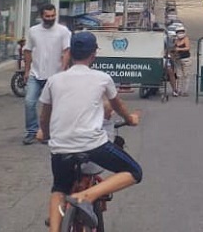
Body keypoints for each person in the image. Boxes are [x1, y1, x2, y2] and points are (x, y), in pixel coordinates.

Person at [38, 31, 142, 231]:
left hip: (60, 148)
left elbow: (44, 117)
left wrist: (45, 133)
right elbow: (118, 106)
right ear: (94, 54)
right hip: (93, 146)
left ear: (70, 53)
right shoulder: (102, 78)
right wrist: (131, 119)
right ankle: (87, 195)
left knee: (59, 188)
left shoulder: (54, 80)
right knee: (134, 171)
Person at [23, 3, 71, 145]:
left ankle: (48, 132)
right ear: (41, 16)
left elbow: (67, 51)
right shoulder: (33, 31)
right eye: (47, 16)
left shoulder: (63, 31)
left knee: (54, 106)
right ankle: (32, 131)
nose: (50, 18)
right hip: (35, 74)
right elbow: (27, 50)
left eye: (53, 16)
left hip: (54, 76)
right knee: (29, 102)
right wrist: (27, 70)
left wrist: (63, 70)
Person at [171, 28, 190, 97]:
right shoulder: (176, 40)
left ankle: (185, 91)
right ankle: (178, 90)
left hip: (185, 59)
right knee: (179, 76)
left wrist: (179, 49)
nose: (180, 34)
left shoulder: (186, 39)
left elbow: (188, 48)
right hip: (178, 60)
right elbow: (173, 48)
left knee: (186, 75)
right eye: (178, 32)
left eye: (181, 32)